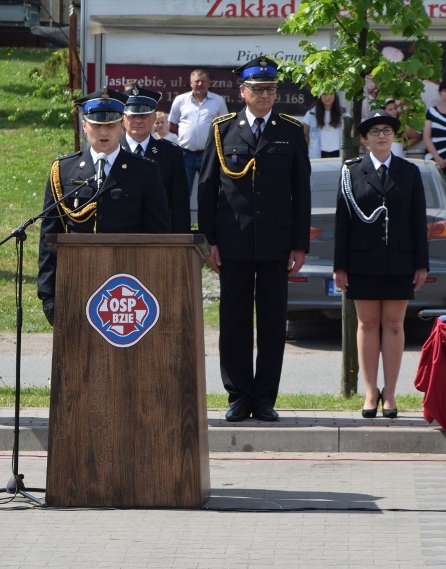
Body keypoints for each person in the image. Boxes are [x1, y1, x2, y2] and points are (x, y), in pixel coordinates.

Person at [197, 57, 311, 423]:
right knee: (234, 321)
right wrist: (209, 240)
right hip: (233, 243)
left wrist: (299, 244)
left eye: (271, 89)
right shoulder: (222, 130)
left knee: (274, 321)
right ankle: (238, 395)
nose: (265, 95)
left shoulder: (291, 131)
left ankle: (264, 398)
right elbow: (207, 189)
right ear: (242, 92)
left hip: (276, 244)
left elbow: (301, 192)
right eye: (258, 89)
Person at [37, 88, 172, 324]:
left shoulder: (145, 171)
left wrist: (156, 285)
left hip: (129, 284)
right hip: (77, 279)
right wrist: (48, 292)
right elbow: (50, 233)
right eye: (96, 125)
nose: (103, 132)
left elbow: (157, 233)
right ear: (84, 126)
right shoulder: (63, 170)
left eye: (110, 125)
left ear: (122, 126)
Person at [332, 109, 429, 420]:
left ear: (394, 136)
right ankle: (371, 391)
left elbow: (418, 221)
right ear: (364, 140)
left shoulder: (409, 172)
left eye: (386, 130)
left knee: (394, 324)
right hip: (362, 260)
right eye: (374, 132)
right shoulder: (351, 172)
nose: (381, 136)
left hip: (400, 260)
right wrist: (340, 265)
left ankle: (391, 393)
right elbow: (342, 222)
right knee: (368, 323)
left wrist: (421, 264)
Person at [120, 86, 191, 233]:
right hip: (119, 238)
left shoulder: (171, 153)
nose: (138, 121)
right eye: (132, 116)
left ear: (154, 118)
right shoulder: (111, 151)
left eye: (144, 115)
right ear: (123, 118)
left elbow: (180, 204)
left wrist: (180, 242)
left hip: (159, 238)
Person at [169, 68, 228, 196]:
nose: (200, 84)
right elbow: (172, 125)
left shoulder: (218, 101)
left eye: (203, 81)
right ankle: (183, 217)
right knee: (183, 192)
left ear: (209, 83)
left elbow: (224, 125)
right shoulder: (180, 100)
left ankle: (206, 217)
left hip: (209, 154)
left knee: (207, 192)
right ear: (191, 83)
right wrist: (186, 138)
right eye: (197, 81)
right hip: (185, 154)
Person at [302, 91, 345, 159]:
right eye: (324, 94)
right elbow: (304, 135)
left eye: (331, 94)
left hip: (338, 153)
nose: (328, 97)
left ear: (335, 95)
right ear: (320, 96)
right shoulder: (311, 114)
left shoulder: (344, 114)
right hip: (317, 154)